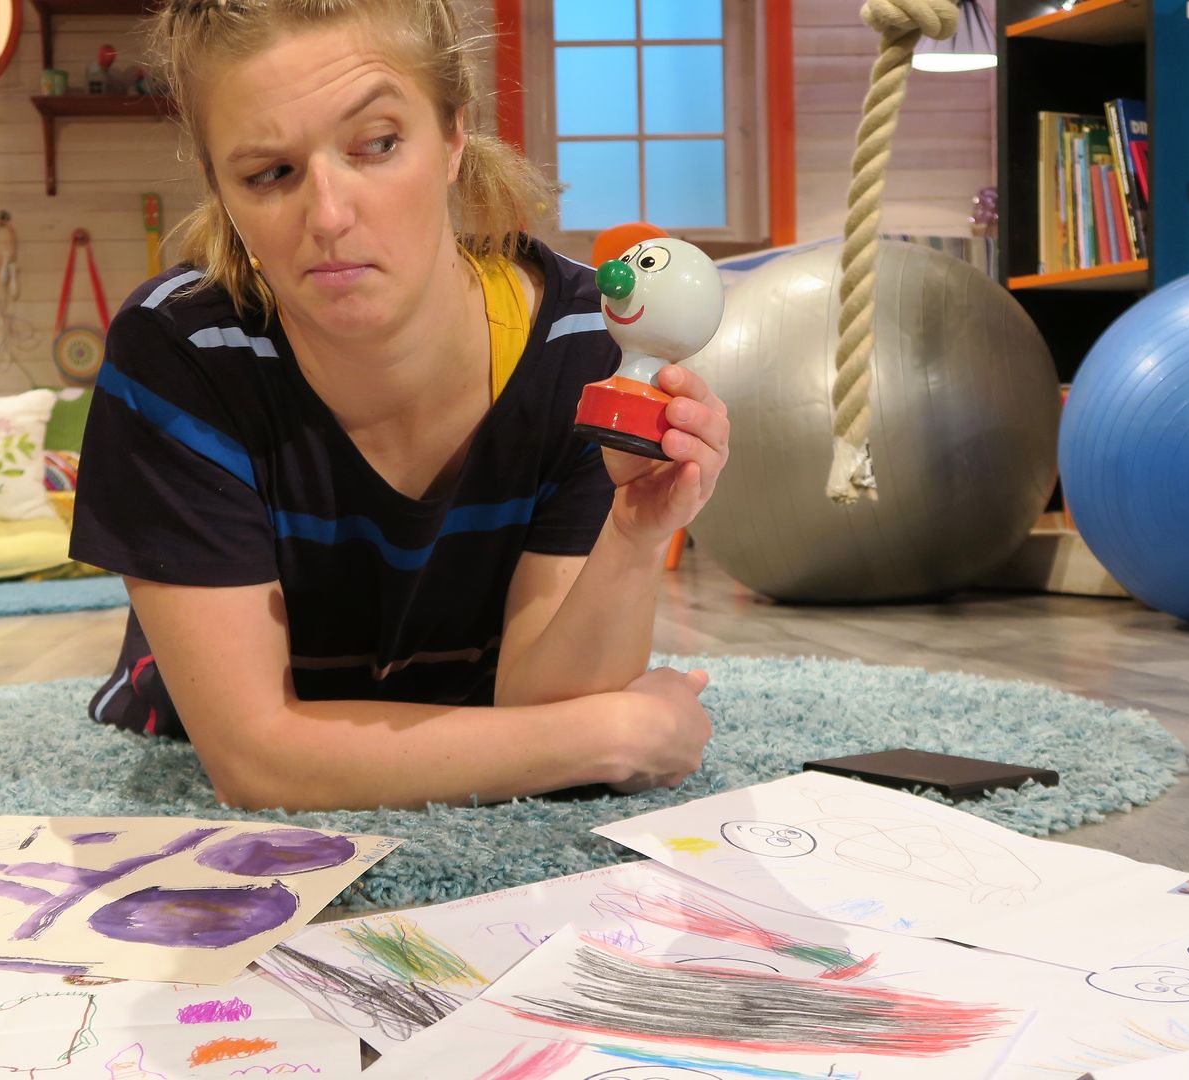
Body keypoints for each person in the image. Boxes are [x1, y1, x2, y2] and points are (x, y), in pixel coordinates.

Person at [70, 0, 731, 812]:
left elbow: (542, 707)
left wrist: (633, 534)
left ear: (455, 134)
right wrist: (616, 736)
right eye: (269, 174)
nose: (330, 216)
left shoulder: (581, 344)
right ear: (220, 189)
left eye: (377, 144)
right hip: (185, 731)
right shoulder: (180, 350)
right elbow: (256, 761)